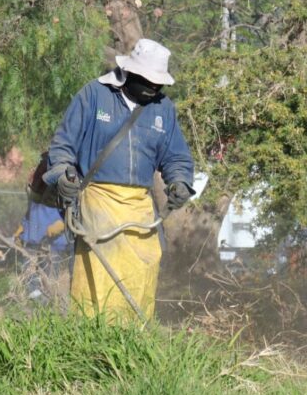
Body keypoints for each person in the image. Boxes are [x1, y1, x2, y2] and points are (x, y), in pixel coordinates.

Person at [43, 38, 195, 320]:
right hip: (98, 200)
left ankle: (132, 341)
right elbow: (63, 146)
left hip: (139, 206)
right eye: (147, 81)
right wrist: (63, 175)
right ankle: (91, 340)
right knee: (99, 277)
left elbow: (176, 157)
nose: (153, 89)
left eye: (158, 84)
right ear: (130, 73)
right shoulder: (94, 95)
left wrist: (180, 181)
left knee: (144, 270)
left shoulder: (163, 109)